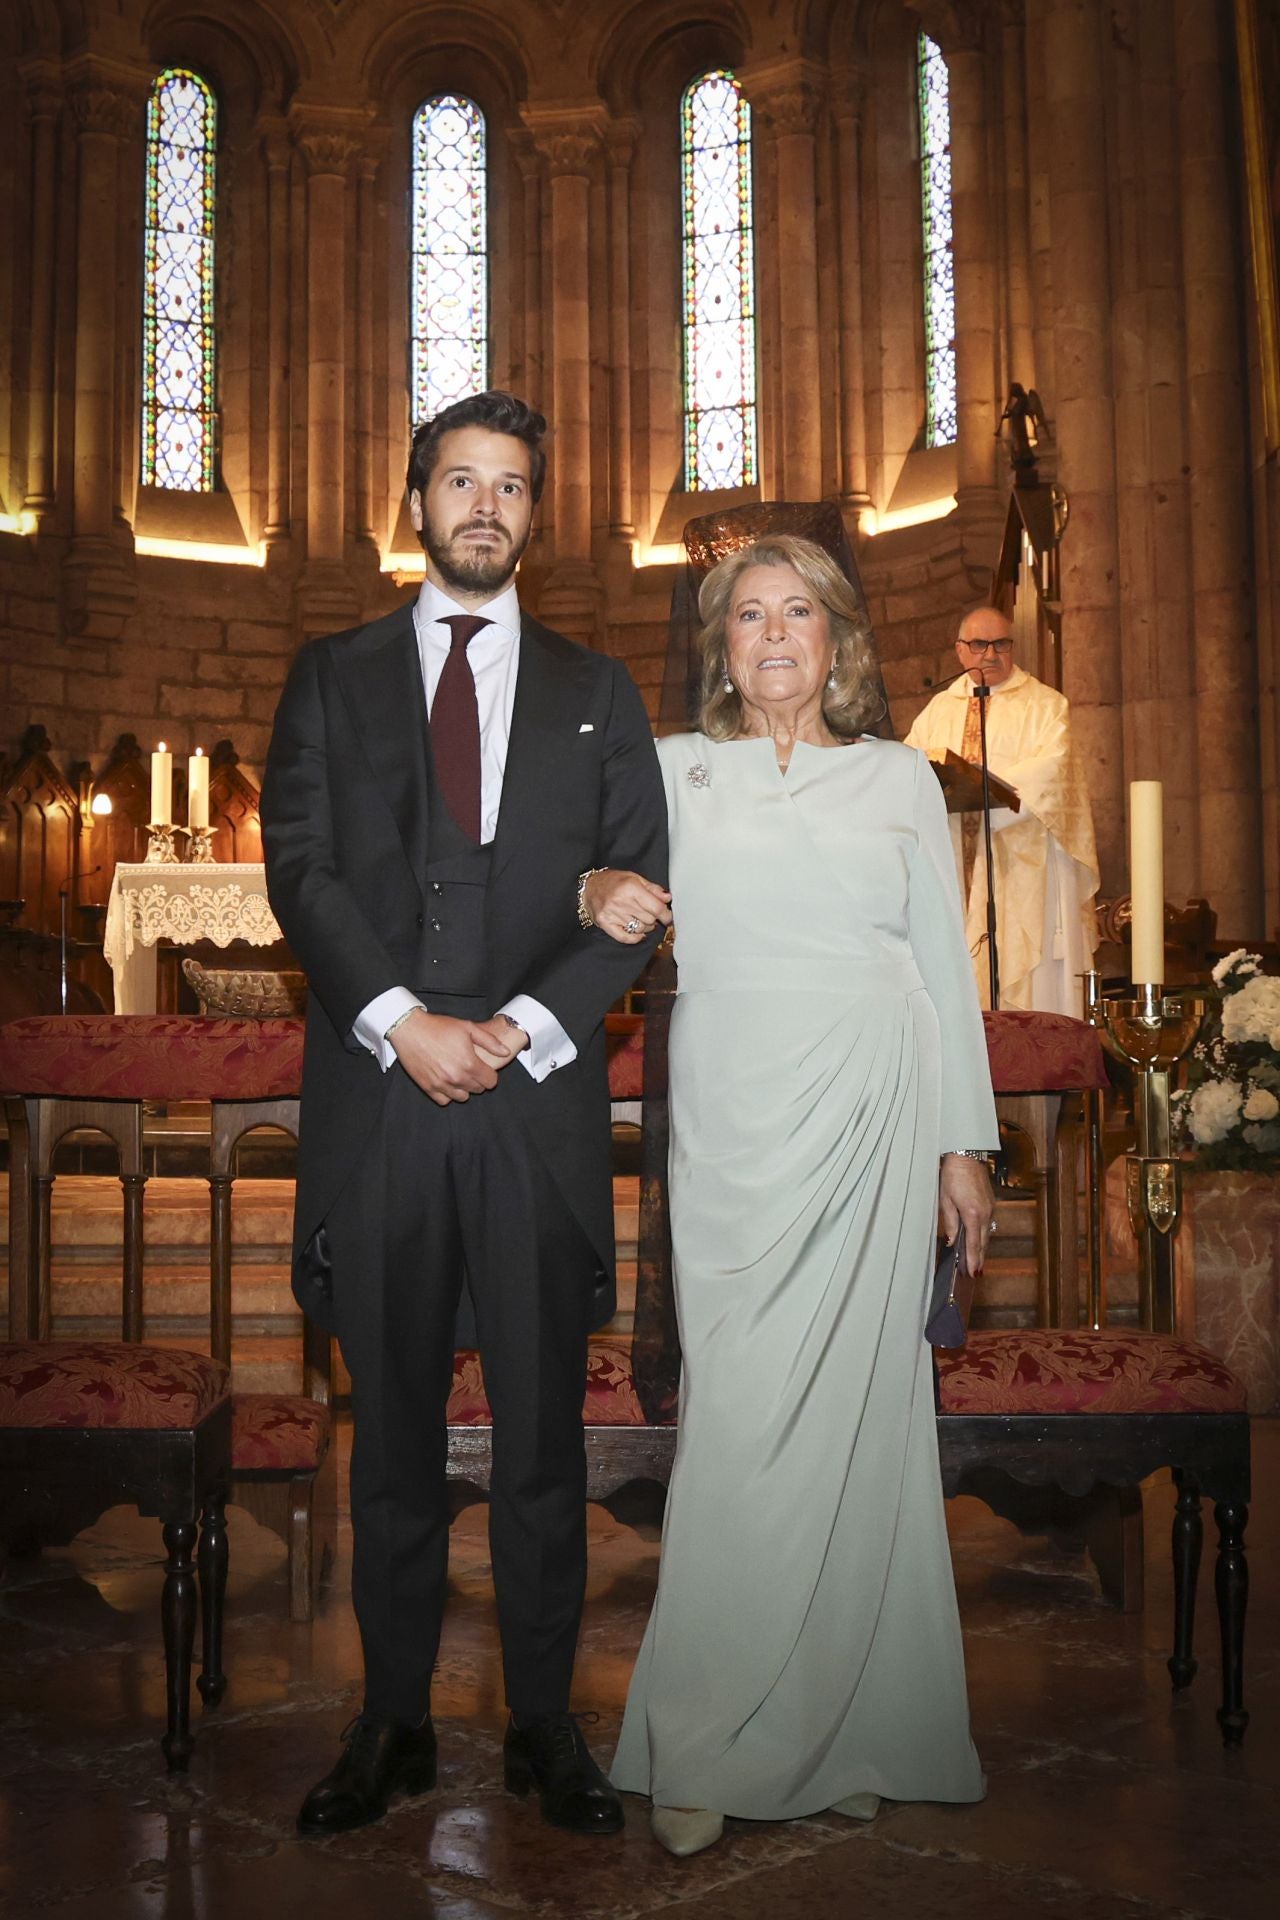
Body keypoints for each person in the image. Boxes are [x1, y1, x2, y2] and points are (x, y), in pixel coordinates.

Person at [261, 391, 667, 1840]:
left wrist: (517, 1030)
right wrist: (403, 1024)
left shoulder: (597, 689)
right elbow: (301, 873)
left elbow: (631, 890)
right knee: (391, 1450)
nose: (484, 505)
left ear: (535, 517)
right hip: (383, 1110)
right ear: (414, 504)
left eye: (510, 486)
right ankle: (393, 1724)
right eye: (459, 481)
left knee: (546, 1442)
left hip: (532, 1116)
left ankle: (547, 1726)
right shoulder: (329, 675)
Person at [585, 534, 998, 1856]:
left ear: (837, 641)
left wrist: (962, 1144)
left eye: (798, 613)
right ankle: (703, 1734)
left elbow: (941, 962)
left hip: (877, 1111)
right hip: (731, 1120)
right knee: (744, 1426)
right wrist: (589, 883)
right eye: (748, 615)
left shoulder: (894, 780)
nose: (773, 635)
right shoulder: (672, 770)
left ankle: (849, 1727)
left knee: (863, 1432)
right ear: (723, 646)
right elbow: (564, 861)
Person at [904, 606, 1099, 1014]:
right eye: (979, 645)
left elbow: (1054, 772)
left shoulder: (1045, 706)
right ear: (960, 651)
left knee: (1023, 980)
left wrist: (991, 788)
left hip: (1020, 863)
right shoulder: (939, 709)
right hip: (953, 860)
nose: (990, 655)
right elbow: (910, 768)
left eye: (1002, 644)